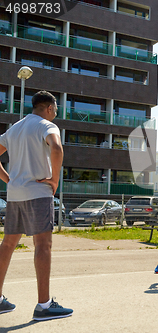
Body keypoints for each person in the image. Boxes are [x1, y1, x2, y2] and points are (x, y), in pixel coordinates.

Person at [0, 91, 73, 321]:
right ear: (49, 108)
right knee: (43, 245)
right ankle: (44, 305)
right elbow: (57, 148)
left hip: (15, 194)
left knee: (8, 244)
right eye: (56, 111)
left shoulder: (15, 128)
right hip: (38, 193)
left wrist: (8, 179)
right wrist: (54, 180)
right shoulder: (46, 126)